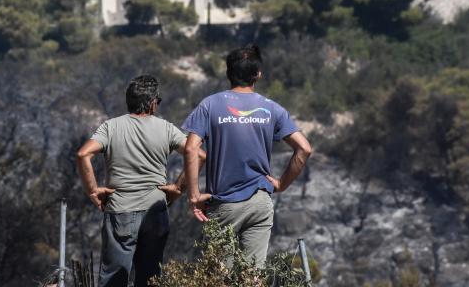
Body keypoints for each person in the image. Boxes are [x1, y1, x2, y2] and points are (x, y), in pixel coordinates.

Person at [183, 45, 312, 268]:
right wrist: (281, 184)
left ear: (228, 73)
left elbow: (191, 149)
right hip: (260, 201)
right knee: (253, 276)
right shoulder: (272, 108)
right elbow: (304, 149)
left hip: (224, 202)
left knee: (221, 276)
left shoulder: (210, 105)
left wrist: (194, 195)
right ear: (258, 74)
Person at [77, 75, 206, 287]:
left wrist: (93, 191)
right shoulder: (166, 128)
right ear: (152, 102)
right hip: (155, 210)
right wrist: (177, 188)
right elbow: (199, 155)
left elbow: (83, 155)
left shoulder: (111, 127)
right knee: (150, 277)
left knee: (114, 279)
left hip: (120, 210)